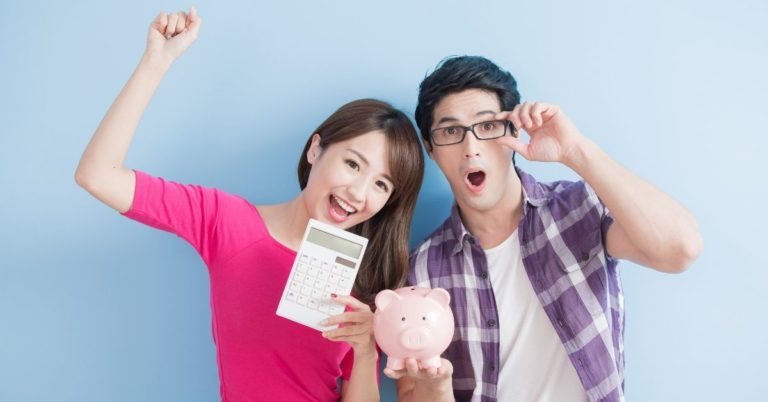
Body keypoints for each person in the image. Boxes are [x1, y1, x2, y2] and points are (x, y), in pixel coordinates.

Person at [74, 8, 424, 402]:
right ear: (315, 149)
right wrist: (156, 63)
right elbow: (98, 175)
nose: (359, 192)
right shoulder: (226, 221)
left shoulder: (366, 280)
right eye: (352, 163)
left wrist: (364, 350)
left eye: (381, 184)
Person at [387, 56, 703, 402]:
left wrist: (576, 151)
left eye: (488, 126)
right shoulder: (423, 269)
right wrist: (436, 386)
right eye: (450, 132)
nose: (471, 148)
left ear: (513, 131)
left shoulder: (578, 210)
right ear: (431, 149)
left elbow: (681, 248)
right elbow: (413, 394)